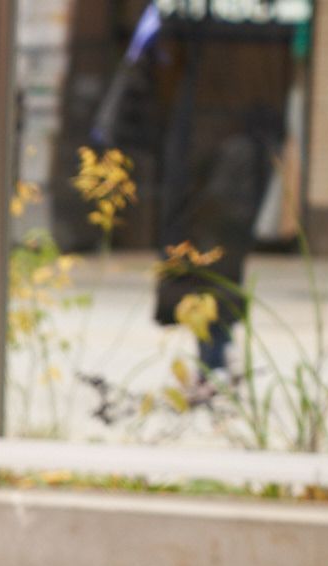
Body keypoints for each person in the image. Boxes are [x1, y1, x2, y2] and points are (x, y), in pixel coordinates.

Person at [94, 11, 290, 379]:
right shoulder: (188, 16)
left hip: (213, 145)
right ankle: (212, 356)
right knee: (207, 254)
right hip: (201, 145)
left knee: (211, 253)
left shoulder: (202, 17)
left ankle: (213, 356)